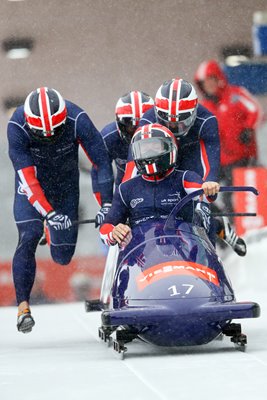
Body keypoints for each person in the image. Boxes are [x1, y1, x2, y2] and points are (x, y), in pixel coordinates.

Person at [7, 87, 114, 333]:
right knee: (29, 235)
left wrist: (105, 204)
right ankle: (23, 307)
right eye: (41, 133)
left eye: (54, 131)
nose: (48, 136)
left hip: (65, 187)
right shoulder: (17, 126)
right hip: (32, 186)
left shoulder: (77, 119)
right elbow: (27, 178)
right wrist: (48, 213)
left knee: (62, 257)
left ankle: (50, 230)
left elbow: (100, 162)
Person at [122, 78, 246, 257]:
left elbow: (210, 162)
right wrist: (127, 201)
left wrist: (207, 191)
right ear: (158, 114)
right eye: (167, 122)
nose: (172, 127)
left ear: (193, 113)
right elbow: (133, 164)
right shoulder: (147, 120)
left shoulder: (207, 120)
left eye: (179, 122)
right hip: (162, 157)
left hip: (190, 156)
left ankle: (214, 232)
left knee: (197, 212)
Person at [100, 123, 220, 249]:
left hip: (182, 248)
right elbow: (105, 228)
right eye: (144, 149)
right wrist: (114, 232)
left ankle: (216, 225)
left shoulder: (184, 178)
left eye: (155, 147)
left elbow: (204, 193)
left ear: (169, 148)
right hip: (143, 253)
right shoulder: (126, 189)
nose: (150, 154)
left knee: (203, 217)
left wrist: (209, 188)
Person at [194, 59, 262, 212]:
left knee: (237, 194)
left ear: (218, 78)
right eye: (205, 82)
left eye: (211, 80)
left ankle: (239, 223)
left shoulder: (236, 94)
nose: (209, 85)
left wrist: (248, 128)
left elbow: (255, 110)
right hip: (216, 160)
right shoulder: (203, 107)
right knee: (206, 190)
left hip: (242, 157)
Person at [91, 90, 154, 205]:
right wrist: (106, 205)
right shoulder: (108, 137)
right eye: (131, 128)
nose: (137, 133)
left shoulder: (164, 135)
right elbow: (98, 169)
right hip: (124, 189)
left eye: (142, 126)